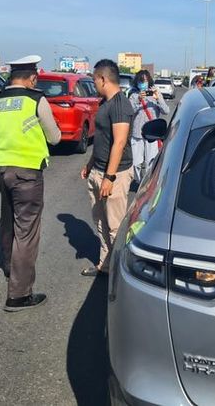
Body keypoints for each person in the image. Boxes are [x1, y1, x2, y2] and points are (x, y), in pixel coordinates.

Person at [0, 55, 61, 312]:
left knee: (8, 221)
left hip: (2, 169)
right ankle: (18, 295)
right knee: (26, 231)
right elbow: (55, 137)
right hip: (27, 172)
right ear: (32, 78)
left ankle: (9, 268)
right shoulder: (35, 99)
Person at [80, 59, 134, 276]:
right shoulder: (105, 103)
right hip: (99, 170)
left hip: (115, 174)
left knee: (115, 227)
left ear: (103, 79)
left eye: (94, 80)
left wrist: (109, 177)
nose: (94, 84)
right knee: (100, 222)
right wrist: (91, 164)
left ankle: (122, 274)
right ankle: (105, 265)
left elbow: (119, 142)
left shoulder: (120, 104)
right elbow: (102, 140)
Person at [127, 70, 170, 182]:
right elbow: (129, 112)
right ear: (137, 82)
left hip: (152, 134)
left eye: (146, 81)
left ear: (149, 81)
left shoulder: (155, 93)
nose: (143, 84)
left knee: (150, 162)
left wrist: (158, 98)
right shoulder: (133, 95)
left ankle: (148, 184)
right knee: (136, 163)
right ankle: (139, 181)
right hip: (137, 133)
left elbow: (166, 111)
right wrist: (138, 100)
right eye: (141, 81)